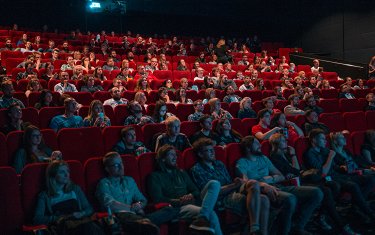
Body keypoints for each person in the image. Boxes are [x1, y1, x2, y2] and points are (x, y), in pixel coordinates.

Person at [268, 133, 360, 234]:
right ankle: (339, 224)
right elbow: (293, 172)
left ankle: (322, 218)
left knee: (330, 187)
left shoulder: (287, 154)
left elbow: (297, 170)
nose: (286, 142)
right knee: (325, 190)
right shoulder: (274, 156)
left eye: (285, 140)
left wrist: (293, 155)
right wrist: (293, 167)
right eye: (282, 141)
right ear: (276, 143)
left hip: (302, 179)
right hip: (293, 184)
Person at [236, 136, 323, 235]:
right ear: (247, 147)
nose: (260, 145)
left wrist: (270, 178)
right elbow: (246, 183)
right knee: (290, 199)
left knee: (317, 192)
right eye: (256, 143)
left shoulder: (263, 158)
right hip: (263, 190)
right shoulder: (241, 162)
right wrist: (263, 184)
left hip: (278, 185)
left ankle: (297, 226)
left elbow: (281, 176)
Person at [191, 138, 270, 235]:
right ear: (200, 154)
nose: (213, 153)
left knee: (255, 186)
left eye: (213, 150)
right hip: (221, 199)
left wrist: (236, 183)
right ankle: (254, 230)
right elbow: (212, 193)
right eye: (209, 151)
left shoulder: (219, 164)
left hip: (232, 192)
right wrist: (234, 185)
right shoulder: (197, 169)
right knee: (262, 199)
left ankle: (258, 230)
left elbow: (230, 183)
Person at [95, 152, 179, 235]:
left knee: (170, 210)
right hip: (119, 216)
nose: (121, 167)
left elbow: (143, 200)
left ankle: (145, 223)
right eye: (116, 165)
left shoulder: (129, 180)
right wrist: (131, 208)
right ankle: (145, 224)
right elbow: (109, 204)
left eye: (121, 163)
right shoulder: (104, 183)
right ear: (107, 169)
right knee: (131, 220)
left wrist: (139, 205)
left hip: (136, 216)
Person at [147, 145, 223, 234]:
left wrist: (190, 195)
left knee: (214, 184)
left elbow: (196, 191)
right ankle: (203, 217)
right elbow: (158, 199)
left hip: (193, 200)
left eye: (175, 155)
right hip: (179, 207)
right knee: (211, 214)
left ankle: (202, 218)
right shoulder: (155, 176)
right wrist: (180, 201)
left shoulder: (181, 172)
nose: (175, 157)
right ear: (163, 158)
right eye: (171, 155)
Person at [304, 129, 375, 223]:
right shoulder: (309, 154)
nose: (325, 141)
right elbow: (323, 172)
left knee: (370, 179)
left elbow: (334, 167)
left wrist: (342, 168)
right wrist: (330, 157)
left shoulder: (325, 150)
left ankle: (355, 208)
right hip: (328, 179)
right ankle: (369, 213)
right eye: (322, 139)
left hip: (338, 175)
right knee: (353, 185)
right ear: (314, 140)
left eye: (325, 139)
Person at [34, 160, 104, 235]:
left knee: (92, 226)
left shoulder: (75, 189)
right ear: (53, 175)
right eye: (62, 172)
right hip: (63, 227)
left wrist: (82, 213)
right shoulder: (44, 195)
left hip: (80, 221)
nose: (67, 175)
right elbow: (37, 218)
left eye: (67, 171)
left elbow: (89, 209)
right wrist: (57, 218)